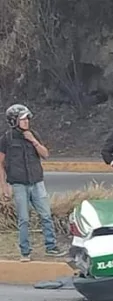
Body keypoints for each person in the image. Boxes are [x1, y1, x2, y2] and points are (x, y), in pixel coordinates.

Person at [0, 104, 63, 262]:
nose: (27, 121)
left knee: (46, 215)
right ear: (14, 120)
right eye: (23, 119)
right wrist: (4, 187)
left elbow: (46, 154)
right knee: (24, 219)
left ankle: (51, 247)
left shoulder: (33, 135)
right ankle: (25, 252)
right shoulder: (6, 139)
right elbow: (0, 163)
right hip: (19, 184)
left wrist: (33, 140)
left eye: (28, 118)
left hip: (37, 182)